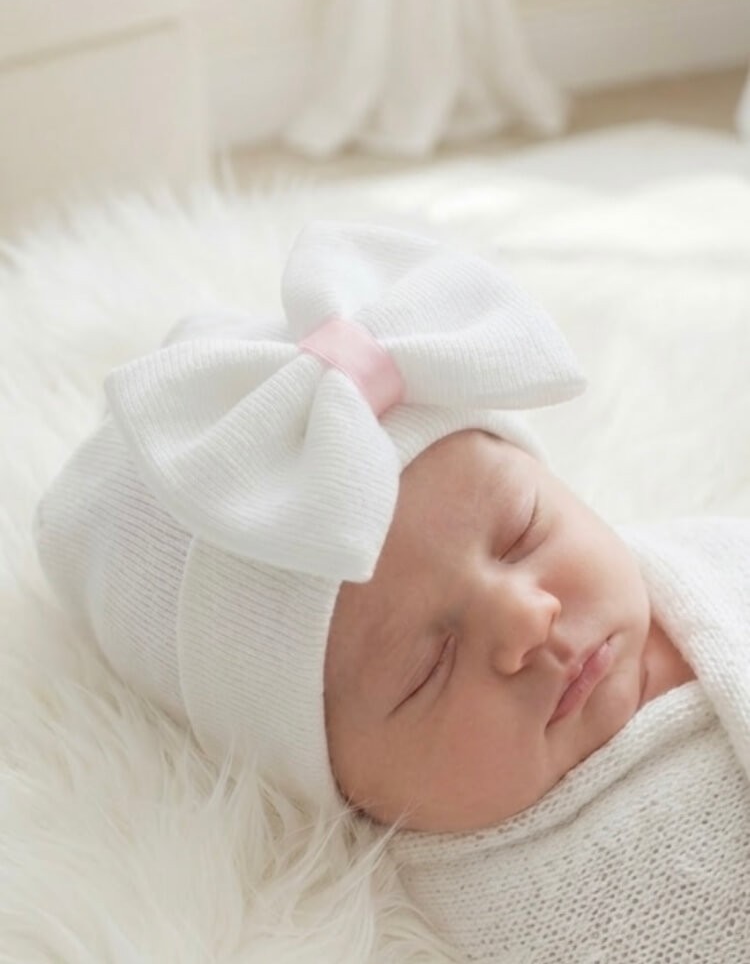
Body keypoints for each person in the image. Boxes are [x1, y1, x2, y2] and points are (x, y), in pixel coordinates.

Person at [33, 220, 750, 962]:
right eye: (429, 667)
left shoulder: (702, 562)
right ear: (349, 791)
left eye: (523, 533)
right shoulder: (561, 910)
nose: (527, 618)